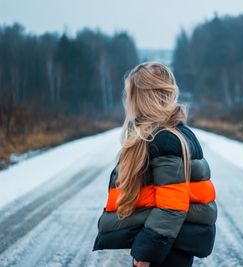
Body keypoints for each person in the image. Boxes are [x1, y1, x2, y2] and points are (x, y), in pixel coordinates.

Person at [92, 61, 217, 267]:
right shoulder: (164, 134)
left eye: (130, 94)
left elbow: (172, 207)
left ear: (141, 98)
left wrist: (146, 254)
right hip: (170, 244)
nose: (127, 101)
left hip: (168, 249)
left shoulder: (165, 139)